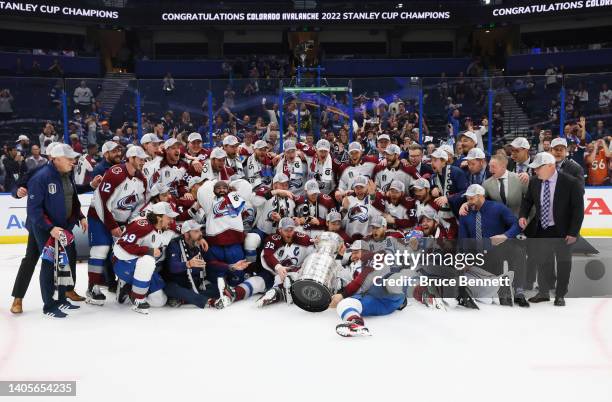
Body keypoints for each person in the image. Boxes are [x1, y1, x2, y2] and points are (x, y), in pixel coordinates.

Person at [26, 144, 87, 317]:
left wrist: (80, 215)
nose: (73, 162)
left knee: (63, 263)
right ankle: (48, 305)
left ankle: (61, 300)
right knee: (48, 264)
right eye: (69, 159)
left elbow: (72, 198)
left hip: (64, 227)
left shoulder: (67, 174)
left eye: (73, 159)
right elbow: (34, 210)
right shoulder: (41, 178)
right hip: (47, 229)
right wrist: (50, 228)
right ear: (56, 159)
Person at [519, 152, 584, 306]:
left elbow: (578, 210)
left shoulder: (571, 183)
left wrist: (573, 232)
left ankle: (560, 294)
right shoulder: (535, 182)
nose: (535, 171)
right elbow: (527, 201)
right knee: (543, 262)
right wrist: (523, 215)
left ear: (550, 166)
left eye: (538, 168)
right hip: (542, 229)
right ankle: (543, 292)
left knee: (563, 263)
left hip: (563, 231)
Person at [86, 146, 149, 306]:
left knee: (127, 250)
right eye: (140, 158)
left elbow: (141, 205)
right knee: (101, 249)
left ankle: (123, 285)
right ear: (131, 158)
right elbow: (101, 200)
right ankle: (92, 288)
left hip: (122, 221)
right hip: (99, 217)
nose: (143, 161)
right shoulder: (116, 173)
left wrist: (131, 224)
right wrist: (112, 225)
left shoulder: (142, 179)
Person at [458, 184, 528, 307]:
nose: (468, 202)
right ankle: (499, 287)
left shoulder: (497, 208)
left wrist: (505, 236)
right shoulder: (465, 213)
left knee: (518, 250)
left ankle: (519, 290)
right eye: (467, 199)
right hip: (479, 255)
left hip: (498, 249)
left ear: (480, 196)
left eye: (471, 198)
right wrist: (465, 258)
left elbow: (516, 225)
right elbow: (463, 239)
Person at [113, 202, 176, 314]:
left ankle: (129, 289)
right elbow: (121, 245)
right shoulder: (141, 225)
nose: (171, 220)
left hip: (146, 269)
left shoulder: (164, 228)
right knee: (148, 260)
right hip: (124, 263)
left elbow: (183, 229)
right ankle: (137, 298)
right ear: (159, 217)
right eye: (169, 217)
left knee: (160, 301)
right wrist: (149, 251)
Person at [162, 220, 214, 308]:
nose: (200, 234)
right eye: (196, 231)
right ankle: (206, 301)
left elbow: (211, 262)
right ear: (186, 234)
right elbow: (173, 267)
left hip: (195, 283)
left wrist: (231, 267)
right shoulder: (174, 244)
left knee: (216, 287)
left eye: (200, 230)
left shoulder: (198, 243)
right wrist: (188, 264)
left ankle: (185, 299)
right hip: (178, 282)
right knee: (171, 288)